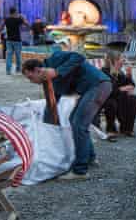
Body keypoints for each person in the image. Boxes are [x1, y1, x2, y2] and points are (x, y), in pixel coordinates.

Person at [21, 52, 112, 180]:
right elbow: (51, 105)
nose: (31, 82)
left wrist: (57, 71)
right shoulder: (48, 82)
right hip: (91, 89)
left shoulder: (54, 60)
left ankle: (80, 171)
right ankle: (89, 157)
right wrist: (46, 127)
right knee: (74, 122)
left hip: (98, 84)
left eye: (30, 77)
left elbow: (79, 57)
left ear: (37, 70)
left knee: (79, 125)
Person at [101, 51, 136, 138]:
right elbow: (108, 91)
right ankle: (111, 129)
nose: (124, 61)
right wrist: (121, 89)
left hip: (120, 97)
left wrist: (129, 75)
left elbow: (131, 85)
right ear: (114, 61)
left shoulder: (120, 72)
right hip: (107, 99)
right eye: (122, 59)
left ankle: (127, 128)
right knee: (112, 103)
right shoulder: (104, 72)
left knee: (135, 98)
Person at [1, 7, 29, 75]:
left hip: (9, 40)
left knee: (9, 56)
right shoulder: (17, 19)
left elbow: (0, 27)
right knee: (18, 55)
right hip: (17, 40)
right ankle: (18, 70)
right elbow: (27, 24)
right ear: (15, 12)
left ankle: (8, 71)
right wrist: (22, 17)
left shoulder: (6, 20)